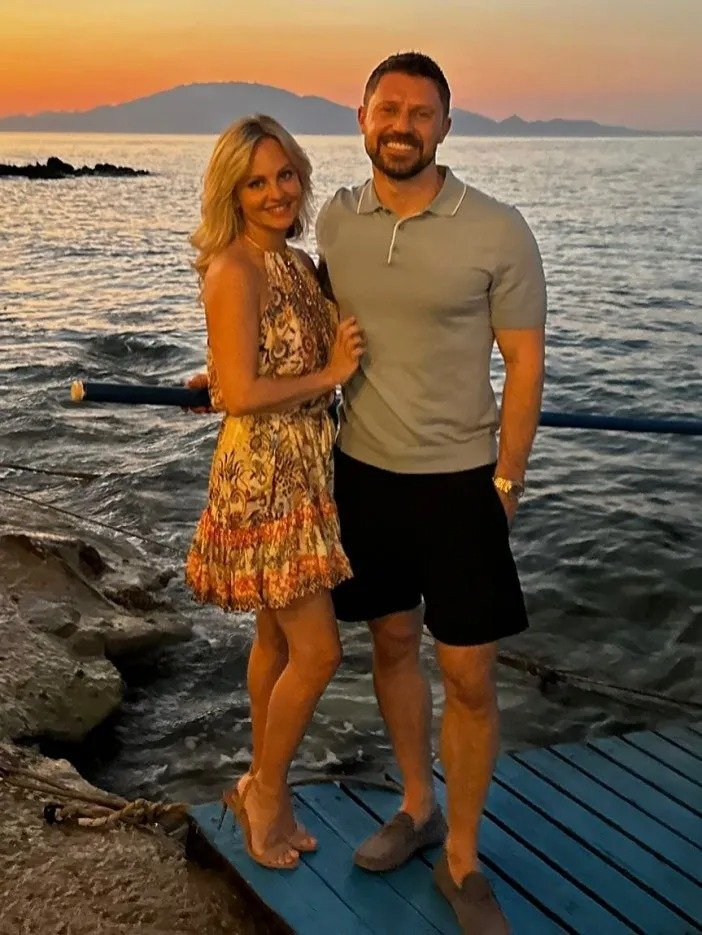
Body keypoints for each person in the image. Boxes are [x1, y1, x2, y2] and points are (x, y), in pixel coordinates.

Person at [314, 52, 546, 933]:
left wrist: (507, 481)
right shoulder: (336, 219)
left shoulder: (497, 229)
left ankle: (463, 858)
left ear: (447, 125)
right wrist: (223, 371)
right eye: (389, 109)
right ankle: (417, 807)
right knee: (390, 643)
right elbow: (301, 323)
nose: (402, 125)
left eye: (421, 112)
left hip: (461, 483)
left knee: (470, 675)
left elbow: (524, 364)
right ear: (362, 118)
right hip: (363, 472)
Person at [185, 114, 364, 870]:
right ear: (232, 193)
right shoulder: (235, 266)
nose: (275, 192)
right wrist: (332, 373)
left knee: (276, 640)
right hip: (265, 474)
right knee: (319, 652)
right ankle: (263, 789)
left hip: (303, 463)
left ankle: (270, 791)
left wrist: (220, 371)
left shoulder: (294, 261)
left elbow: (239, 369)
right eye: (256, 182)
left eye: (284, 174)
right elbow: (244, 393)